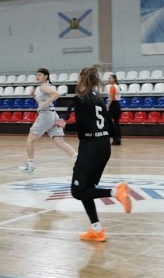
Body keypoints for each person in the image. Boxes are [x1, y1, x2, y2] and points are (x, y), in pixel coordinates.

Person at [56, 65, 131, 242]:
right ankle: (97, 229)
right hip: (104, 146)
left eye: (78, 77)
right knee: (86, 189)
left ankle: (115, 192)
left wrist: (65, 125)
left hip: (90, 147)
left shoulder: (80, 98)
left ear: (82, 79)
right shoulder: (98, 99)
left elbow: (82, 127)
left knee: (77, 191)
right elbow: (111, 127)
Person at [19, 68, 77, 174]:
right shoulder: (42, 87)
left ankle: (30, 166)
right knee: (60, 142)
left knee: (30, 140)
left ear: (46, 76)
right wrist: (33, 96)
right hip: (52, 115)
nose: (37, 76)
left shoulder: (43, 87)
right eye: (36, 75)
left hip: (46, 116)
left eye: (40, 75)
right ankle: (77, 157)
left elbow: (56, 94)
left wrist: (45, 103)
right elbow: (42, 101)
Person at [107, 73, 123, 145]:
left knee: (109, 122)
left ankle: (114, 138)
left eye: (110, 78)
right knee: (116, 123)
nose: (109, 79)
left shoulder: (113, 87)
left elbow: (111, 98)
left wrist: (107, 107)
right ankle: (118, 139)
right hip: (117, 105)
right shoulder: (117, 86)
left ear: (114, 79)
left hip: (113, 105)